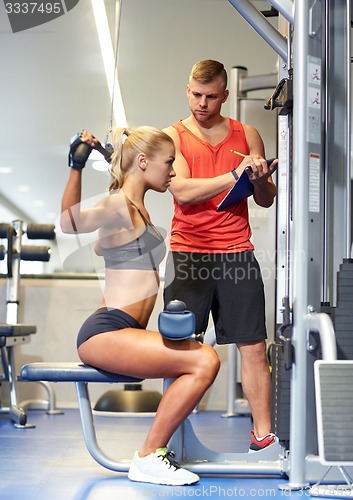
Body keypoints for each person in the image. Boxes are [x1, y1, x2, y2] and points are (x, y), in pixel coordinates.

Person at [60, 127, 220, 485]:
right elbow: (69, 223)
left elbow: (109, 239)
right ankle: (149, 455)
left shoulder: (133, 207)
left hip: (127, 330)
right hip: (107, 330)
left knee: (201, 357)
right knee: (203, 359)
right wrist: (76, 164)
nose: (174, 171)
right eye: (168, 163)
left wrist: (115, 157)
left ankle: (154, 453)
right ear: (144, 162)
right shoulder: (119, 205)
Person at [163, 59, 278, 452]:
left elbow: (265, 199)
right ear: (187, 90)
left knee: (254, 345)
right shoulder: (172, 136)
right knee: (179, 346)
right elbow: (182, 191)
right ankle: (171, 439)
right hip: (189, 252)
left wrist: (260, 181)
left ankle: (263, 436)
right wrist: (234, 175)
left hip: (236, 252)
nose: (202, 103)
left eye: (211, 97)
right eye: (196, 94)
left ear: (225, 96)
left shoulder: (247, 133)